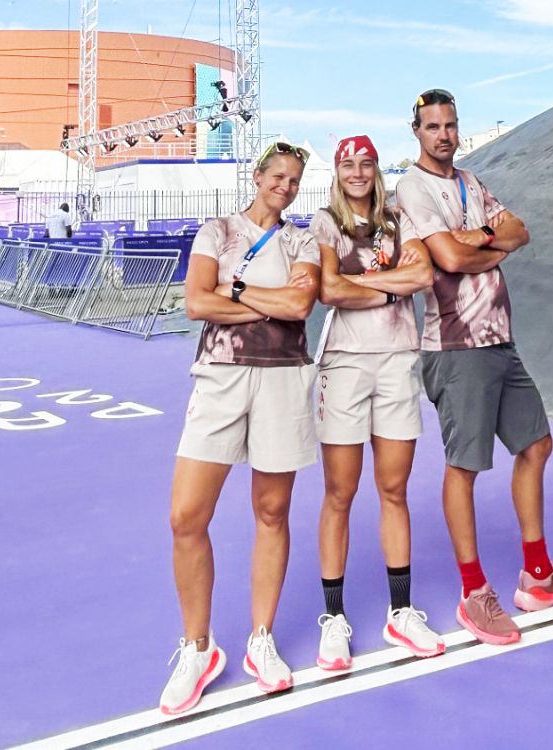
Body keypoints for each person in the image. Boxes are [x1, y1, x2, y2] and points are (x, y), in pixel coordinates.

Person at [394, 89, 553, 647]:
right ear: (417, 131)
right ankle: (473, 592)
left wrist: (481, 238)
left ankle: (536, 575)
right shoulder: (413, 188)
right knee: (465, 467)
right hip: (457, 348)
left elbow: (520, 230)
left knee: (536, 446)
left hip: (500, 341)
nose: (444, 135)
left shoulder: (471, 183)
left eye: (450, 125)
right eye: (432, 126)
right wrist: (486, 244)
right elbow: (451, 261)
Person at [159, 142, 320, 716]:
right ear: (257, 176)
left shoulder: (302, 239)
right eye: (277, 174)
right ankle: (198, 649)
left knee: (272, 513)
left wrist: (235, 293)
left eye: (295, 179)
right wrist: (261, 300)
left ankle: (261, 640)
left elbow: (301, 306)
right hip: (221, 380)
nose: (285, 184)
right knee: (186, 517)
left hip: (283, 382)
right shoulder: (217, 230)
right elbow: (196, 304)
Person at [308, 135, 443, 671]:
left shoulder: (398, 217)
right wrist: (390, 288)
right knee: (339, 492)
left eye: (366, 164)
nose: (358, 173)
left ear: (376, 168)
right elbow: (330, 291)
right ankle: (334, 617)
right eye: (349, 165)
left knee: (394, 488)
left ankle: (401, 612)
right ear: (338, 172)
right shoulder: (324, 223)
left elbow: (424, 274)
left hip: (397, 360)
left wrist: (362, 280)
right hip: (344, 363)